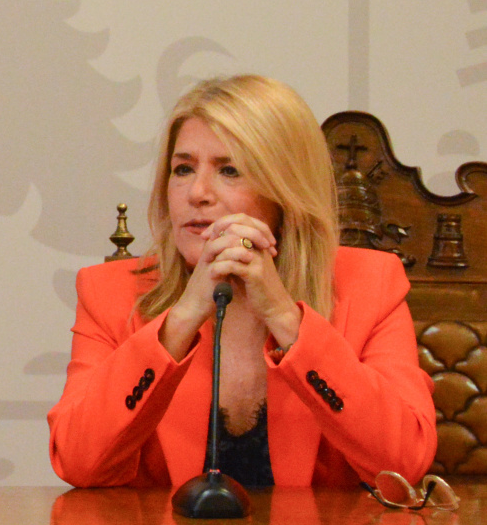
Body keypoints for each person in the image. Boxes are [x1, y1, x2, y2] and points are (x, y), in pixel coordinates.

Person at [48, 74, 435, 487]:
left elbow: (403, 465)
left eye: (229, 170)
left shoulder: (370, 286)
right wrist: (179, 321)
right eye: (182, 169)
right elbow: (77, 461)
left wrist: (286, 319)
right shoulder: (110, 293)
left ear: (286, 191)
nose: (197, 192)